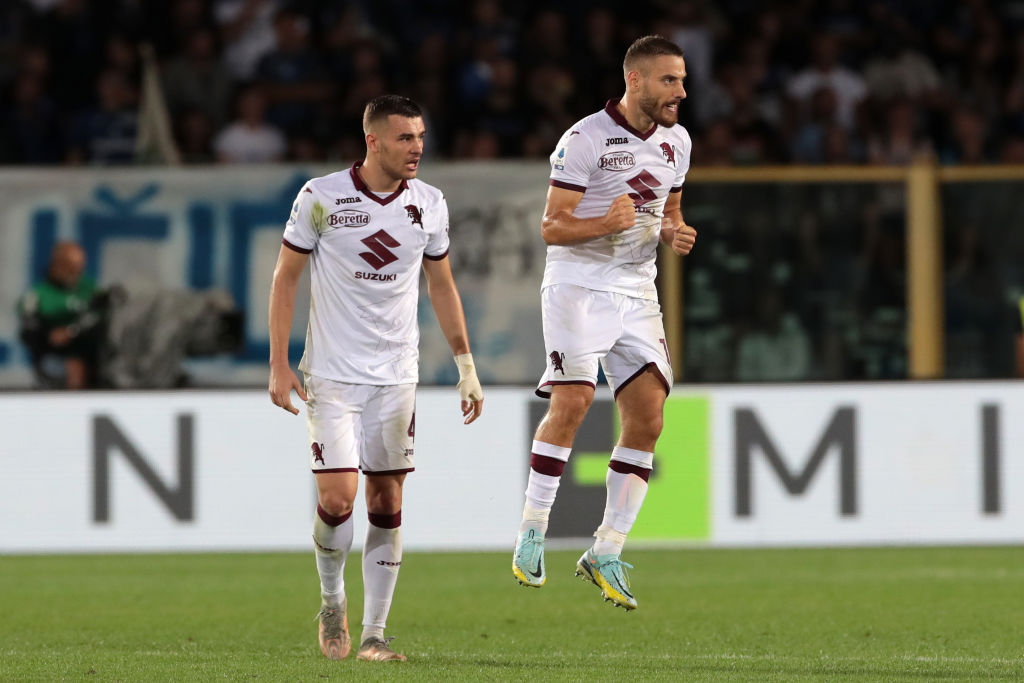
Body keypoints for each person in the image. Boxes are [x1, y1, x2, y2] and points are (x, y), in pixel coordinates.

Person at [267, 95, 484, 662]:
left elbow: (442, 285)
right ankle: (332, 598)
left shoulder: (430, 204)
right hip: (332, 376)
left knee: (386, 500)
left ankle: (374, 636)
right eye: (405, 138)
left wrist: (465, 366)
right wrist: (278, 362)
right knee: (338, 500)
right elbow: (286, 277)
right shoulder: (321, 197)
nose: (417, 147)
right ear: (374, 141)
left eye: (420, 136)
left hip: (395, 377)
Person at [511, 35, 697, 610]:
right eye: (669, 81)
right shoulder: (585, 138)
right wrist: (602, 223)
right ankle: (532, 533)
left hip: (637, 290)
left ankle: (606, 548)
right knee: (570, 405)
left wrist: (673, 230)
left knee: (649, 418)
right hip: (578, 286)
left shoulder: (678, 143)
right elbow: (551, 227)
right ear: (635, 81)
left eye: (683, 80)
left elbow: (669, 209)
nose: (681, 93)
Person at [17, 241, 105, 389]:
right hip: (56, 358)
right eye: (69, 266)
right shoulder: (38, 296)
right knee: (67, 366)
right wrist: (48, 336)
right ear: (56, 265)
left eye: (79, 266)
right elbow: (28, 332)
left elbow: (102, 317)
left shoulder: (91, 290)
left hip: (94, 358)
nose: (75, 272)